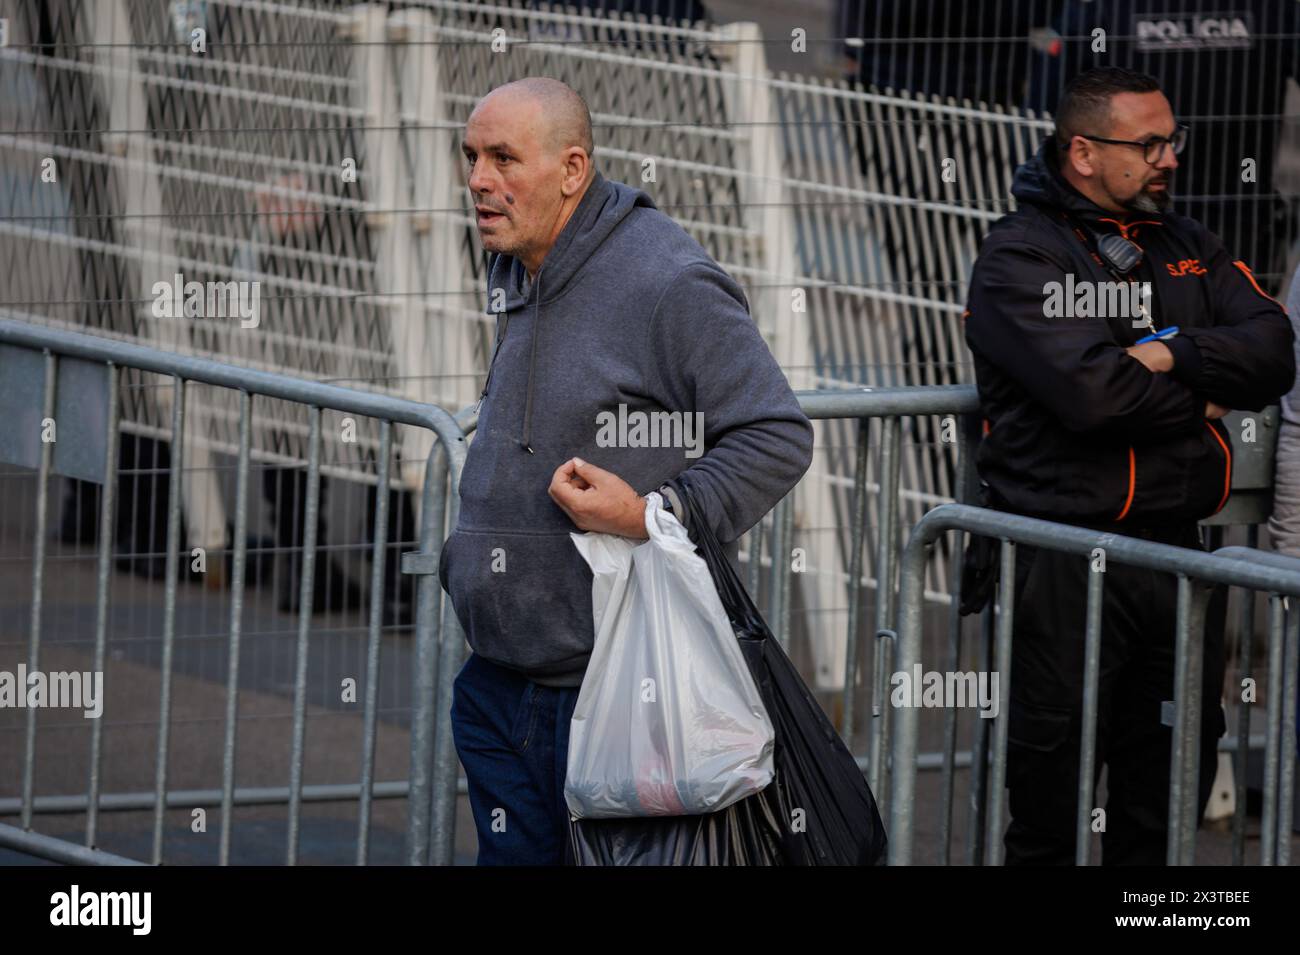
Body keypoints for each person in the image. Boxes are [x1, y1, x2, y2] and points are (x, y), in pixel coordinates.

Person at [441, 77, 815, 865]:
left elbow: (777, 433)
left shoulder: (664, 278)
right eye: (471, 155)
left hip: (612, 697)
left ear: (573, 169)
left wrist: (654, 511)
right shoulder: (519, 263)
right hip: (497, 687)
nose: (478, 178)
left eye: (504, 157)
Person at [963, 67, 1294, 864]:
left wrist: (1173, 352)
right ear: (1082, 151)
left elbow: (1275, 348)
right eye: (1147, 144)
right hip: (1063, 558)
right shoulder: (1020, 254)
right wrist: (1207, 398)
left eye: (1170, 140)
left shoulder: (1189, 242)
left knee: (1167, 795)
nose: (1169, 158)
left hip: (1181, 557)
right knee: (1050, 803)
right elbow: (1095, 399)